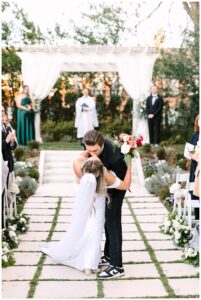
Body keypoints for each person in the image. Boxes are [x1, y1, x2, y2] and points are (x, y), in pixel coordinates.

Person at [41, 156, 131, 276]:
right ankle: (89, 265)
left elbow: (77, 161)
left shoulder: (81, 181)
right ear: (101, 171)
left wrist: (88, 154)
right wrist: (129, 165)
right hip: (98, 218)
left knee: (87, 236)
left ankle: (87, 263)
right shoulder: (105, 181)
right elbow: (126, 185)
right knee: (95, 239)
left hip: (87, 216)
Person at [74, 130, 133, 279]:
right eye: (88, 149)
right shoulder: (90, 147)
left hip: (117, 186)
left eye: (95, 150)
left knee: (113, 223)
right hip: (103, 184)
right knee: (106, 222)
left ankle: (117, 266)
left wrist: (130, 160)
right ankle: (107, 256)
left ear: (101, 144)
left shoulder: (115, 157)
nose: (91, 153)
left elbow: (125, 183)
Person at [2, 106, 18, 227]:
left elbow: (13, 147)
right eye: (1, 111)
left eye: (3, 111)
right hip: (2, 164)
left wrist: (12, 141)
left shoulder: (6, 127)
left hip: (9, 163)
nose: (3, 113)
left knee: (8, 190)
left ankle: (9, 216)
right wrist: (6, 141)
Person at [188, 115, 200, 219]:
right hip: (195, 165)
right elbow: (190, 150)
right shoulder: (195, 135)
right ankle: (197, 217)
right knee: (194, 192)